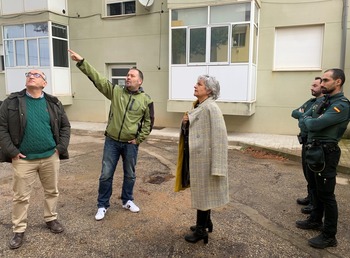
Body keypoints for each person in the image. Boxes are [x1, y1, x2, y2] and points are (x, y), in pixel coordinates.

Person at [68, 49, 154, 220]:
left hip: (130, 144)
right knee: (106, 174)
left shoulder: (146, 100)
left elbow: (149, 122)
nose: (128, 77)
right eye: (127, 75)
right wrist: (82, 62)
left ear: (140, 80)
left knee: (130, 174)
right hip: (112, 142)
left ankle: (127, 200)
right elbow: (98, 79)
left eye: (132, 75)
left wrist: (138, 139)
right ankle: (102, 205)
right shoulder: (115, 92)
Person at [0, 70, 71, 249]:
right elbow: (1, 128)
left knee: (52, 191)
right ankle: (19, 229)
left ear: (44, 83)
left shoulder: (53, 102)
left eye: (37, 75)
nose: (31, 76)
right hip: (23, 159)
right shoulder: (11, 102)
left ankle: (51, 218)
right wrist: (12, 151)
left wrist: (60, 148)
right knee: (21, 196)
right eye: (29, 74)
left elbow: (65, 126)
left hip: (50, 157)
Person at [295, 68, 350, 249]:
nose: (322, 83)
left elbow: (314, 123)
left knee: (327, 195)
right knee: (316, 190)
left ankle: (329, 236)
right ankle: (315, 220)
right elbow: (306, 116)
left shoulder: (341, 105)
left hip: (326, 153)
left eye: (326, 80)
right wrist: (308, 119)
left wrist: (308, 120)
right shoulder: (324, 101)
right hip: (314, 151)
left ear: (338, 82)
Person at [174, 75, 229, 244]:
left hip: (206, 160)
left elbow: (220, 138)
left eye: (199, 84)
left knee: (203, 194)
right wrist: (186, 122)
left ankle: (201, 230)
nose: (195, 86)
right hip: (199, 158)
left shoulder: (211, 108)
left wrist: (218, 166)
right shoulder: (200, 106)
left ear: (209, 90)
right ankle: (206, 222)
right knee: (203, 193)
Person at [291, 77, 323, 215]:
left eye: (315, 85)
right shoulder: (311, 102)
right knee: (307, 173)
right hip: (305, 142)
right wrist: (303, 116)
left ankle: (315, 203)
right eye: (312, 85)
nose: (311, 87)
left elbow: (310, 123)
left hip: (315, 144)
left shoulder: (323, 103)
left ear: (322, 87)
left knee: (313, 174)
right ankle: (310, 197)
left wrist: (303, 116)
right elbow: (294, 112)